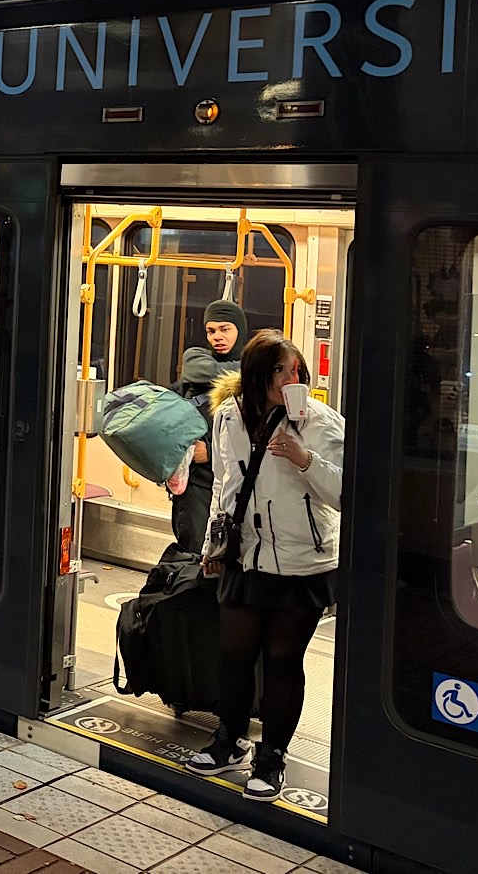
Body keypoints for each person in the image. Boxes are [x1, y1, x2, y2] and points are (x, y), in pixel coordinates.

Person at [187, 329, 343, 803]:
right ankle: (228, 740)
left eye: (296, 370)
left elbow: (345, 492)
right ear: (257, 375)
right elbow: (224, 484)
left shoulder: (319, 421)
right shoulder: (229, 415)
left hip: (302, 562)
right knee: (234, 653)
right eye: (280, 370)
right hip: (245, 556)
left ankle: (272, 757)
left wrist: (305, 459)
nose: (291, 378)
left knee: (282, 661)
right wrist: (213, 544)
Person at [167, 299, 249, 554]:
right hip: (197, 483)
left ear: (239, 330)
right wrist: (249, 370)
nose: (217, 337)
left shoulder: (254, 381)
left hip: (236, 481)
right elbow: (199, 370)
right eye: (211, 331)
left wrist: (211, 453)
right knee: (194, 550)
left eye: (225, 329)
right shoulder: (196, 358)